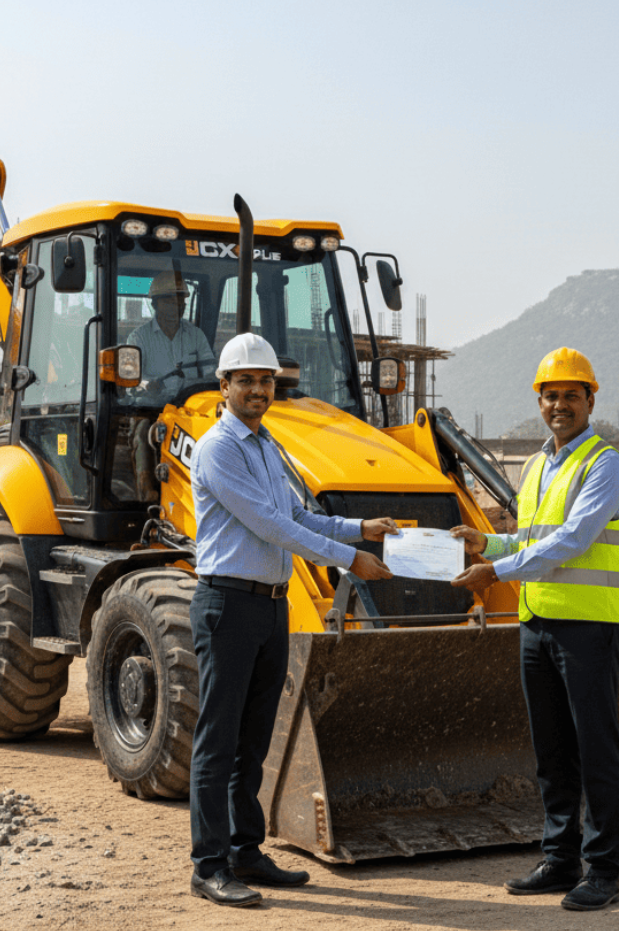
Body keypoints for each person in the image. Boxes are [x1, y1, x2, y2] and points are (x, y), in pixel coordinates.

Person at [188, 332, 398, 907]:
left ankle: (245, 852)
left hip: (269, 606)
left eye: (266, 381)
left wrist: (359, 529)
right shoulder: (219, 448)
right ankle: (209, 865)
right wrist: (349, 558)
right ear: (224, 386)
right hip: (229, 605)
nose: (258, 390)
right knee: (218, 741)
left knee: (253, 739)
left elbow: (297, 514)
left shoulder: (266, 443)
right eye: (246, 381)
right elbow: (269, 525)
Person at [450, 348, 619, 913]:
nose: (560, 405)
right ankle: (560, 860)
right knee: (553, 751)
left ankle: (603, 870)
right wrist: (489, 544)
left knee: (596, 749)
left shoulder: (605, 465)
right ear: (539, 402)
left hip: (588, 627)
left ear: (590, 401)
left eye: (571, 395)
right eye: (550, 396)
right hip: (536, 622)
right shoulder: (537, 465)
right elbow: (532, 538)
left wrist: (496, 571)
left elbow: (572, 540)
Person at [126, 269, 216, 499]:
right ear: (155, 303)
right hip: (152, 409)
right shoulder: (139, 338)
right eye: (170, 299)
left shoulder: (196, 336)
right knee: (143, 432)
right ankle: (147, 493)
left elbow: (210, 373)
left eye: (182, 299)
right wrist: (147, 385)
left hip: (189, 409)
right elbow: (131, 380)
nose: (178, 305)